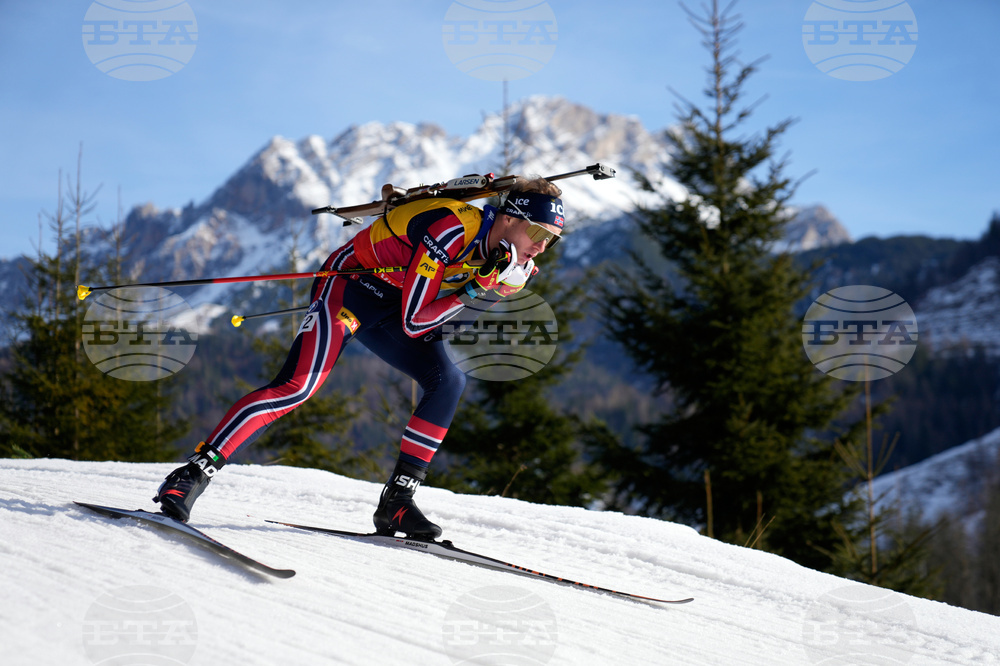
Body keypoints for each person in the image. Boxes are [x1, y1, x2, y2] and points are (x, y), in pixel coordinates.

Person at [153, 176, 566, 539]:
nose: (541, 247)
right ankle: (189, 476)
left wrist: (487, 288)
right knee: (297, 387)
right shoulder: (451, 228)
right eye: (537, 232)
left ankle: (397, 501)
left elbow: (447, 327)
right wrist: (477, 287)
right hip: (351, 288)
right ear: (509, 219)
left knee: (449, 381)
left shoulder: (518, 269)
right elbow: (415, 323)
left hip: (399, 307)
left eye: (551, 240)